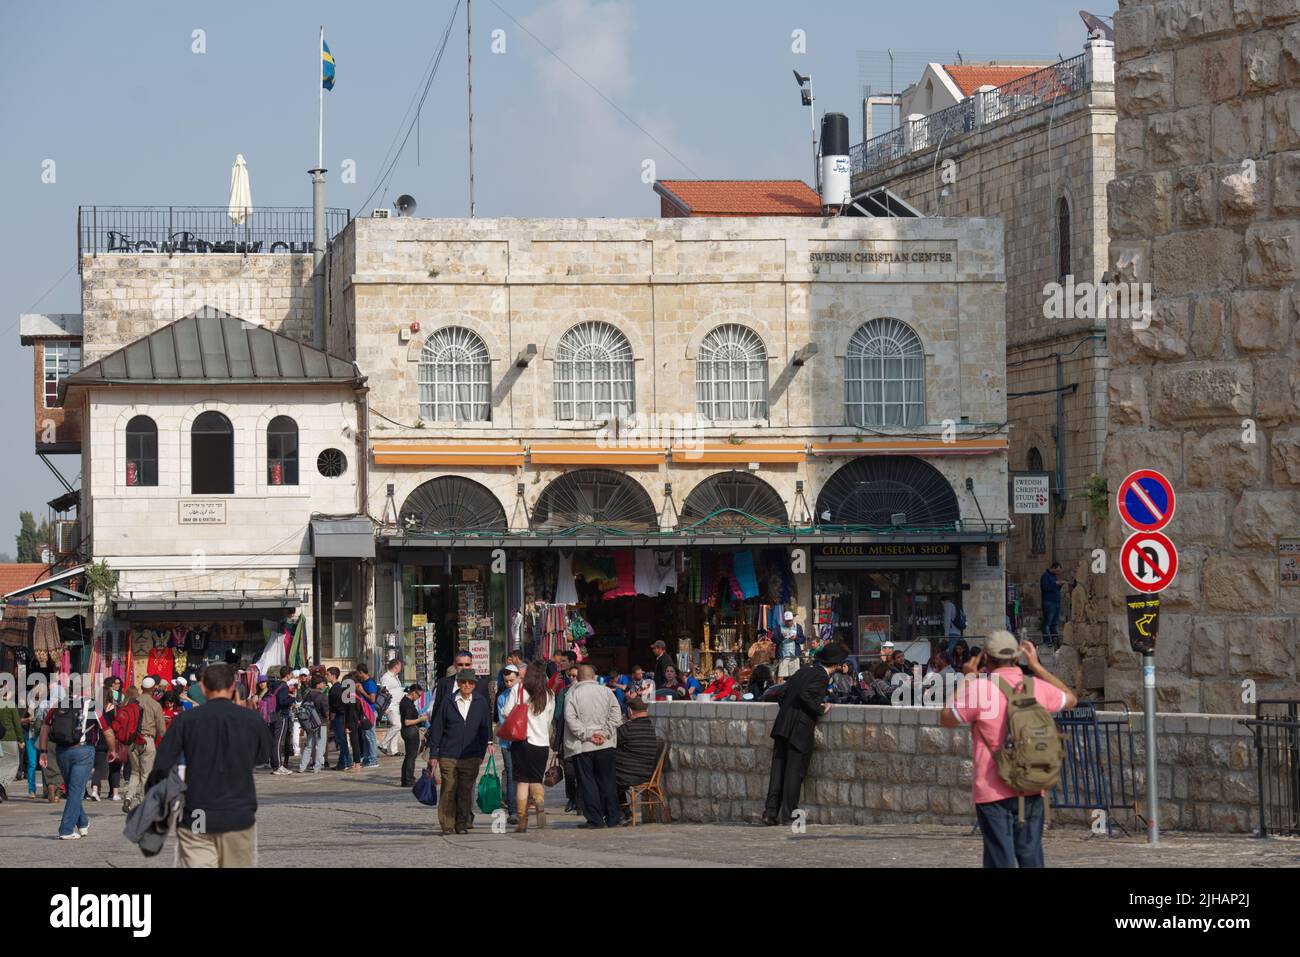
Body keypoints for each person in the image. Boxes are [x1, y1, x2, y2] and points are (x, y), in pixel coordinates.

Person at [941, 631, 1077, 868]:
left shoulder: (981, 689)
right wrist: (1036, 667)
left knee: (999, 860)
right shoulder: (1035, 687)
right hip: (1032, 784)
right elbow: (1070, 698)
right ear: (1016, 658)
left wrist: (968, 678)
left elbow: (947, 717)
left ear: (986, 658)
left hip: (993, 790)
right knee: (1031, 857)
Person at [148, 663, 273, 867]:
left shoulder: (186, 720)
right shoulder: (250, 719)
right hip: (238, 814)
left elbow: (162, 765)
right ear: (234, 687)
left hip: (198, 812)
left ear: (203, 688)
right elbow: (262, 756)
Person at [762, 644, 844, 826]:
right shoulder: (822, 676)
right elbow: (806, 695)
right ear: (836, 665)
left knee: (778, 771)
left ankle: (770, 813)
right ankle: (788, 815)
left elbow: (782, 693)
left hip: (783, 724)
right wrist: (821, 708)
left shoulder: (803, 671)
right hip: (799, 729)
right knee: (794, 772)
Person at [37, 692, 116, 839]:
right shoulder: (93, 705)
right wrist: (112, 750)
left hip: (62, 752)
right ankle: (66, 830)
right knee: (76, 791)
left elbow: (44, 728)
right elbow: (107, 731)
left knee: (73, 789)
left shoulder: (59, 704)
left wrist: (43, 751)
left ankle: (83, 822)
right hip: (83, 751)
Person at [426, 669, 494, 835]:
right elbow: (437, 728)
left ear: (474, 685)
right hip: (448, 753)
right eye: (464, 682)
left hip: (471, 755)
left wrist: (480, 754)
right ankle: (447, 823)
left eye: (470, 683)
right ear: (459, 683)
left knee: (465, 790)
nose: (467, 685)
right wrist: (434, 754)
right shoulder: (448, 701)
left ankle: (461, 823)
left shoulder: (480, 702)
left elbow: (485, 729)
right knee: (449, 787)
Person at [563, 664, 623, 829]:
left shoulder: (572, 693)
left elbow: (571, 720)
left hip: (584, 745)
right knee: (608, 781)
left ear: (579, 677)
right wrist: (604, 733)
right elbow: (616, 714)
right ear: (593, 677)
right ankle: (613, 817)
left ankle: (595, 819)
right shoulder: (606, 691)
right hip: (606, 743)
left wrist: (588, 735)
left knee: (587, 782)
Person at [502, 660, 555, 833]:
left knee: (523, 782)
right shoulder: (550, 695)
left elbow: (505, 712)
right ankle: (539, 805)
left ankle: (522, 820)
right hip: (541, 744)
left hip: (522, 741)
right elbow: (548, 721)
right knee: (536, 780)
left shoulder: (518, 689)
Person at [614, 697, 660, 823]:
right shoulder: (650, 728)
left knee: (605, 776)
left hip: (629, 774)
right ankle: (624, 811)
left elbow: (612, 741)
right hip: (647, 774)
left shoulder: (628, 728)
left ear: (630, 711)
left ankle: (617, 812)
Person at [122, 677, 164, 812]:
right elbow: (161, 728)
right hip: (148, 740)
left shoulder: (133, 702)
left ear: (142, 687)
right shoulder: (155, 705)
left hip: (133, 741)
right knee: (146, 773)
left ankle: (129, 797)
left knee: (135, 772)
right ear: (153, 689)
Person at [494, 664, 521, 823]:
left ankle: (522, 806)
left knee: (523, 776)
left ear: (518, 677)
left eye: (511, 680)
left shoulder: (524, 694)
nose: (509, 684)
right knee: (511, 775)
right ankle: (513, 811)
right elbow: (503, 721)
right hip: (507, 743)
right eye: (506, 681)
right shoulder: (502, 697)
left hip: (524, 742)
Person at [90, 676, 123, 802]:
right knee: (115, 767)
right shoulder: (115, 708)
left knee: (98, 767)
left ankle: (94, 791)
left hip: (99, 740)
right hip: (112, 739)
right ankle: (114, 793)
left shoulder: (95, 708)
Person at [297, 674, 329, 773]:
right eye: (323, 683)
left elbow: (302, 707)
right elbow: (326, 712)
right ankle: (317, 767)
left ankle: (302, 767)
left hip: (309, 724)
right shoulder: (323, 696)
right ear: (318, 685)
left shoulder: (308, 695)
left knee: (309, 745)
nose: (324, 685)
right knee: (320, 746)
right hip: (321, 723)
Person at [326, 666, 354, 772]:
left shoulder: (335, 689)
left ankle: (345, 762)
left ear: (333, 675)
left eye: (328, 674)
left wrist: (332, 716)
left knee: (341, 741)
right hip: (341, 716)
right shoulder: (339, 688)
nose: (326, 676)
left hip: (339, 716)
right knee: (342, 741)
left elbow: (336, 705)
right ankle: (344, 762)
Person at [398, 684, 426, 788]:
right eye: (419, 695)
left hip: (408, 731)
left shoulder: (406, 701)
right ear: (413, 692)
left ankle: (406, 779)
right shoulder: (408, 704)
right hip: (410, 731)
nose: (419, 698)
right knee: (411, 757)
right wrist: (420, 720)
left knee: (409, 756)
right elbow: (407, 721)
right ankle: (409, 780)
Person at [379, 658, 405, 756]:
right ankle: (383, 744)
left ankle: (393, 750)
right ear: (396, 666)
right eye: (400, 666)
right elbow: (383, 692)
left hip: (397, 705)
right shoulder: (386, 677)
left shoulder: (395, 677)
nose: (401, 668)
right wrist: (385, 707)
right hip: (390, 706)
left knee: (397, 727)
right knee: (397, 725)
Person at [776, 611, 805, 680]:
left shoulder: (798, 627)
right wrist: (781, 637)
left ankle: (794, 689)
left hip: (794, 655)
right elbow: (774, 639)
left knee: (795, 676)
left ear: (792, 619)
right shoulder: (779, 627)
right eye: (787, 621)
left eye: (790, 620)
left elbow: (802, 639)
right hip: (783, 655)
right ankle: (779, 690)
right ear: (784, 620)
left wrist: (796, 638)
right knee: (781, 676)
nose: (789, 622)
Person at [1040, 562, 1063, 647]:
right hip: (1049, 603)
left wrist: (1059, 585)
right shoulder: (1045, 576)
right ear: (1053, 568)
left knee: (1054, 623)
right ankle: (1047, 641)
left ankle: (1055, 641)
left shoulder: (1054, 577)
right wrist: (1055, 583)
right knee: (1047, 623)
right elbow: (1045, 587)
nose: (1058, 572)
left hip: (1056, 602)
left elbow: (1054, 589)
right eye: (1057, 570)